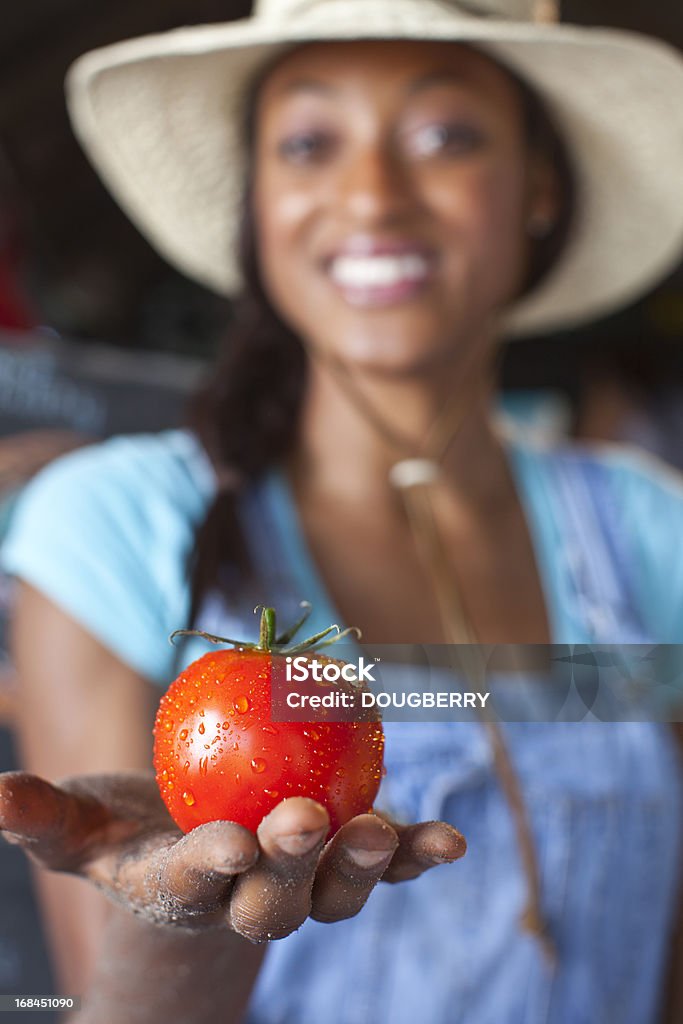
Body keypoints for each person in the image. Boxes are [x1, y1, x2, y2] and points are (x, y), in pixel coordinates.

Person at [0, 1, 682, 1022]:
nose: (370, 194)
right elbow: (97, 1004)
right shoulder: (115, 527)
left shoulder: (647, 533)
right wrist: (181, 922)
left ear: (538, 186)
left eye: (443, 135)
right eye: (309, 143)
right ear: (257, 201)